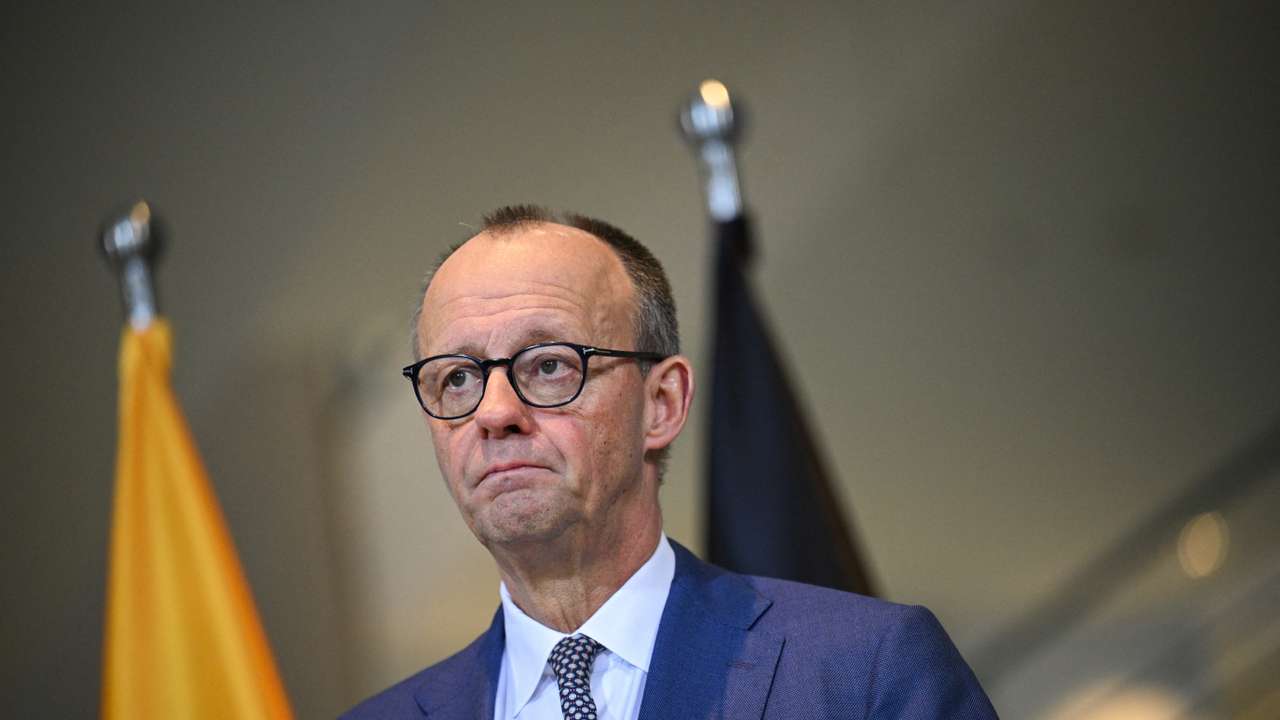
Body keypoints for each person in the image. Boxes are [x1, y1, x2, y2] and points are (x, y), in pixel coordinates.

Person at [342, 205, 998, 719]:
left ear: (662, 403)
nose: (494, 411)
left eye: (548, 365)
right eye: (457, 378)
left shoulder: (863, 672)